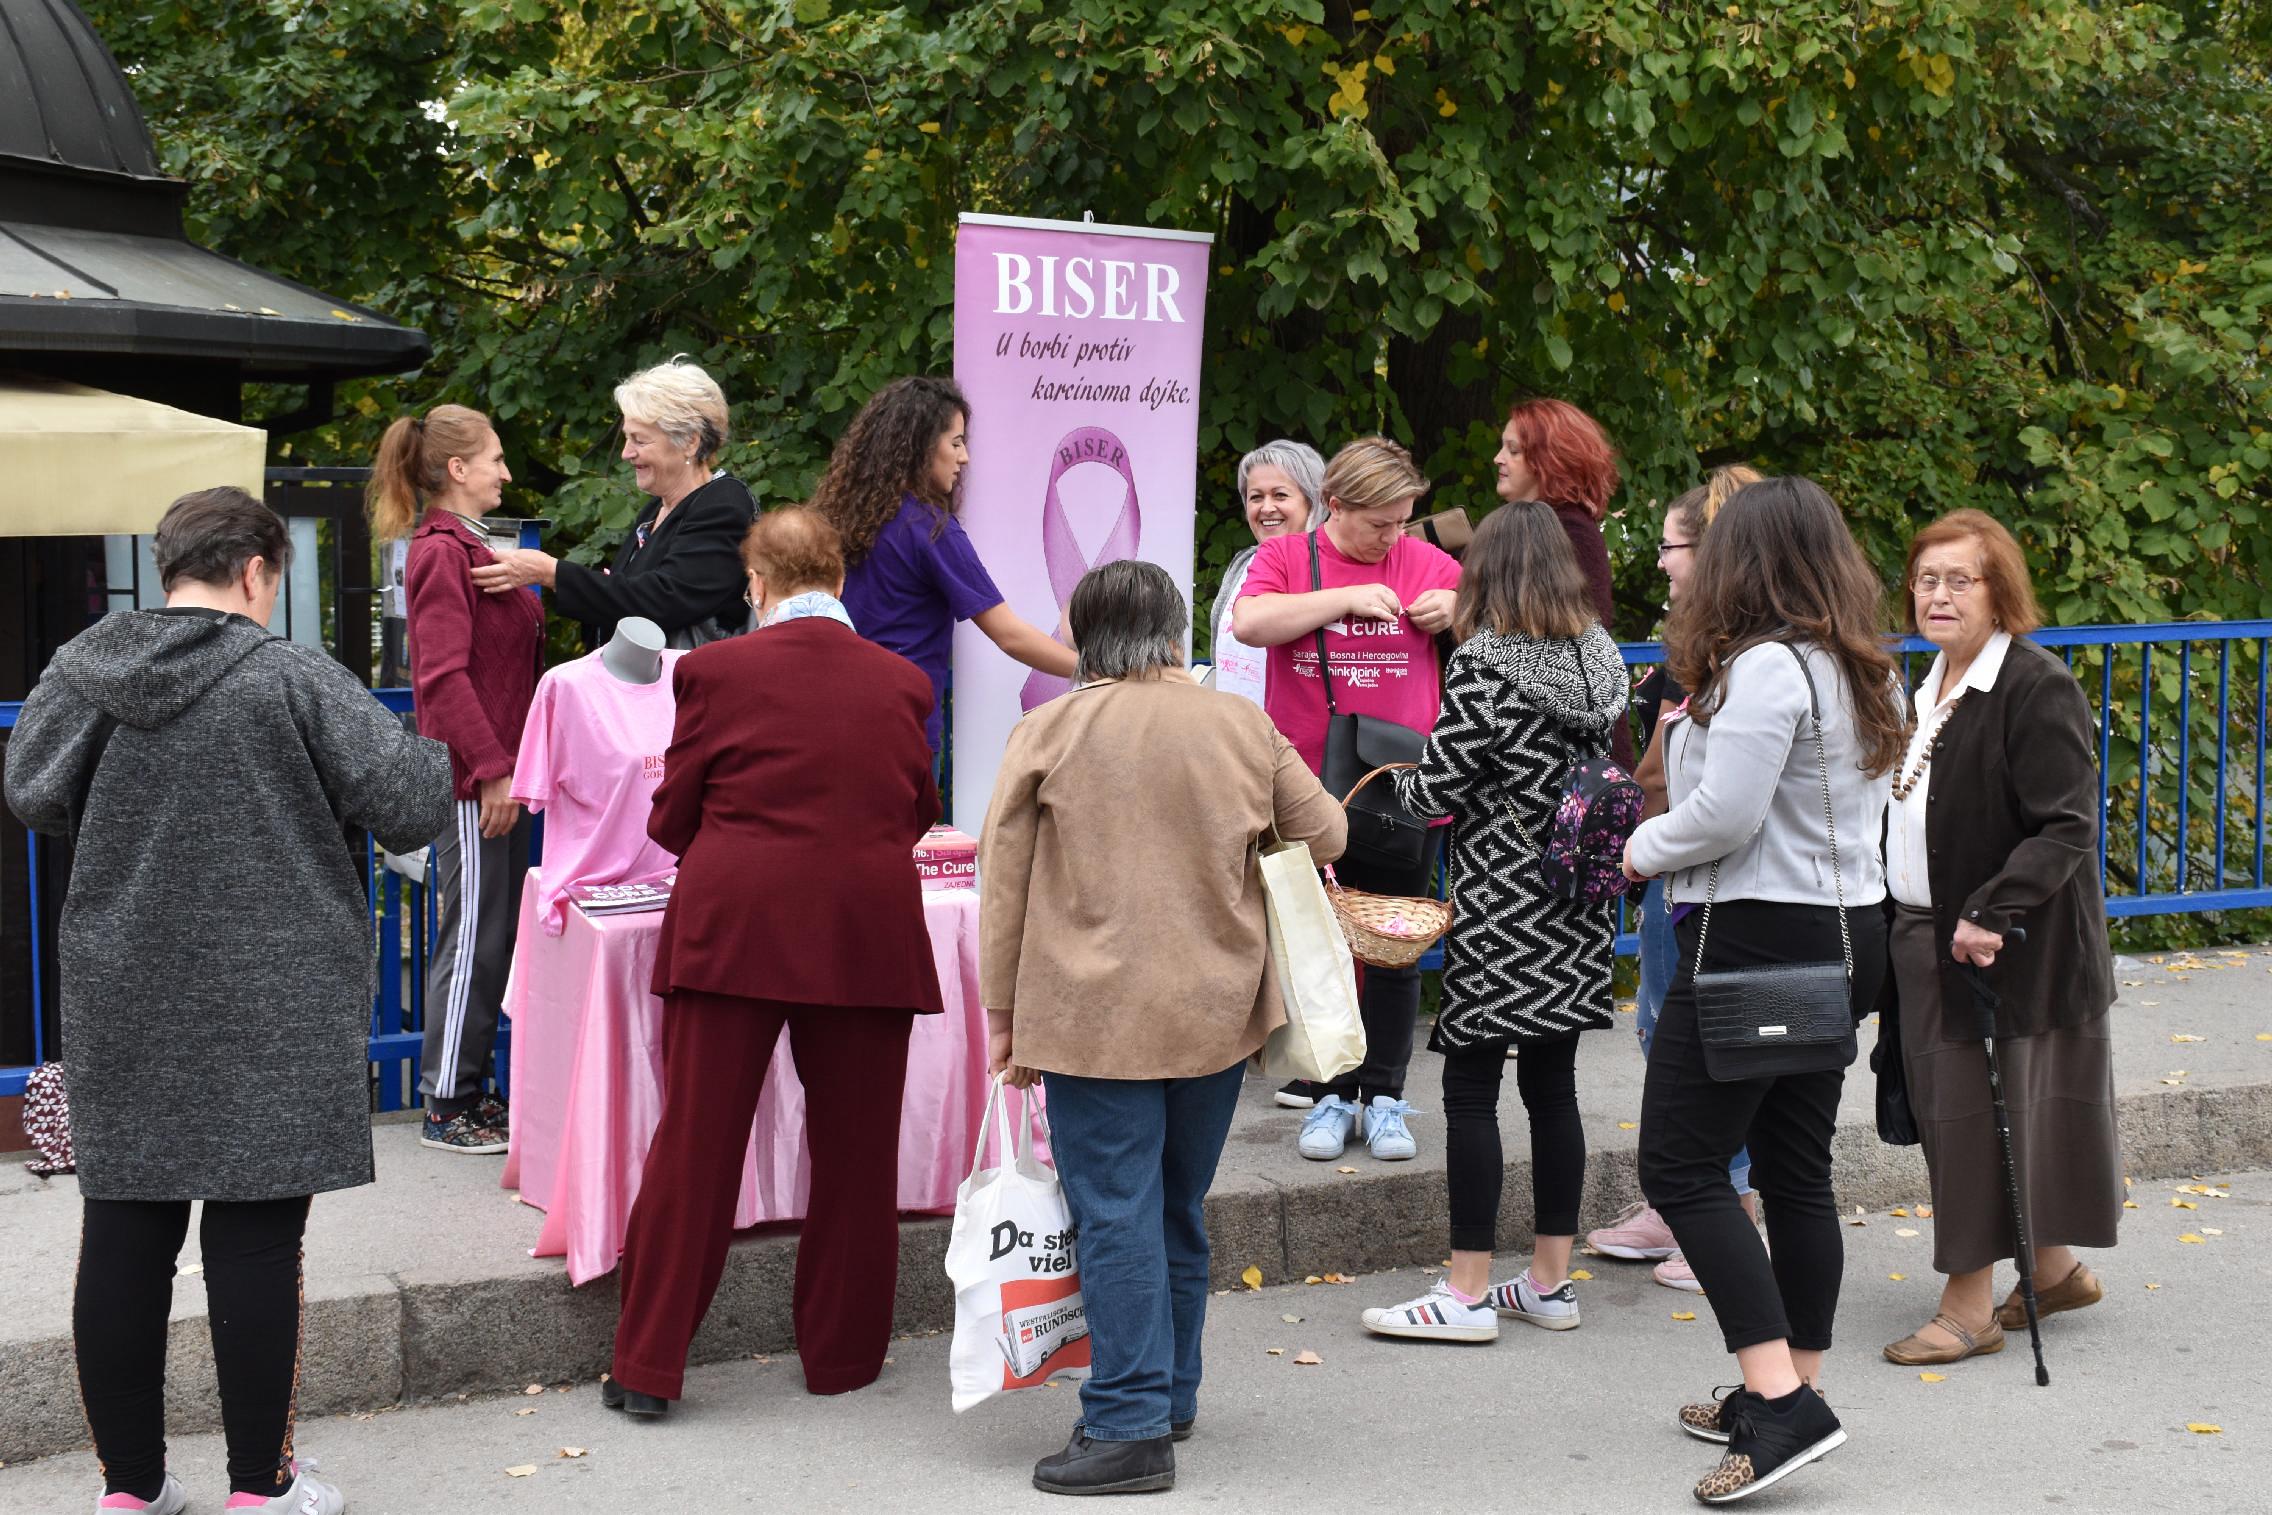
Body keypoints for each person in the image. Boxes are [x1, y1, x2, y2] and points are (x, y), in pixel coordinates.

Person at [5, 487, 452, 1515]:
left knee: (124, 1232)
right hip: (277, 996)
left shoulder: (82, 671)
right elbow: (409, 803)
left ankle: (132, 1491)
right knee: (254, 1240)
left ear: (169, 567)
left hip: (125, 987)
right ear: (256, 571)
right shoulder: (293, 676)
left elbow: (30, 791)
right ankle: (263, 1489)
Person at [980, 559, 1346, 1495]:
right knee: (1175, 1206)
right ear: (1175, 629)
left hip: (1089, 1015)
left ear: (1089, 635)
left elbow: (1004, 888)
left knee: (1113, 1212)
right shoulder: (1237, 722)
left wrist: (1002, 1018)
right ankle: (1171, 1391)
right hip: (1215, 1009)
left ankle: (1130, 1422)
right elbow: (1330, 834)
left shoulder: (1047, 729)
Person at [604, 506, 944, 1416]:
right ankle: (842, 1359)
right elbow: (916, 806)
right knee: (858, 1154)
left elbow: (673, 815)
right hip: (865, 932)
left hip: (737, 927)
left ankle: (645, 1366)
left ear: (755, 584)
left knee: (696, 1146)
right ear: (837, 580)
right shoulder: (904, 681)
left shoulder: (712, 669)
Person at [1620, 476, 1904, 1504]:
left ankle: (1780, 1404)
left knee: (1682, 1165)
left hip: (1755, 934)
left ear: (1744, 561)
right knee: (1793, 1172)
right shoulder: (1859, 668)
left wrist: (1636, 850)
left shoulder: (1764, 672)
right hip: (1843, 930)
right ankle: (1793, 1389)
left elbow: (1721, 817)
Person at [1356, 502, 1625, 1344]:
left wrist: (1380, 781)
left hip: (1505, 906)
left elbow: (1436, 791)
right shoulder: (1602, 659)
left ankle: (1466, 1290)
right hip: (1580, 901)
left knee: (1471, 1087)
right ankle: (1549, 1279)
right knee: (1554, 1088)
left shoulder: (1484, 665)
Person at [1879, 509, 2119, 1367]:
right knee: (1960, 1118)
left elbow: (2066, 825)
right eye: (1926, 578)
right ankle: (2051, 1269)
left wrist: (1991, 908)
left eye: (1959, 579)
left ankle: (1969, 1307)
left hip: (2002, 951)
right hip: (1922, 939)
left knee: (1973, 1120)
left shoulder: (2031, 684)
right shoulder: (1933, 681)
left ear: (1998, 590)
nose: (1937, 594)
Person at [1232, 436, 1461, 1161]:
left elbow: (1496, 622)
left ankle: (1386, 1095)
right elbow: (1250, 622)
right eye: (1379, 522)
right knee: (1317, 945)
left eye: (1402, 520)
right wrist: (1343, 598)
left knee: (1393, 944)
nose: (1394, 535)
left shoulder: (1427, 560)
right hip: (1306, 784)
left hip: (1404, 785)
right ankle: (1330, 1094)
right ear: (1334, 505)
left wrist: (1457, 606)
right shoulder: (1287, 560)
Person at [1588, 465, 1766, 1291]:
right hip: (1672, 870)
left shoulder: (1751, 659)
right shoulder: (1688, 647)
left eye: (1671, 545)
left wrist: (1640, 846)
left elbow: (1720, 800)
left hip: (1715, 875)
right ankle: (1678, 1203)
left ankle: (1726, 1209)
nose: (1660, 562)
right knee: (1663, 1029)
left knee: (1709, 1038)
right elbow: (1658, 775)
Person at [369, 403, 546, 1154]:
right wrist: (492, 772)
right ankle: (448, 1104)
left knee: (492, 930)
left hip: (495, 777)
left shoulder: (469, 544)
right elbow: (440, 679)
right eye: (496, 458)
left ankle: (470, 1091)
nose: (507, 471)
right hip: (476, 783)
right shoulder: (442, 552)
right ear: (458, 469)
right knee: (472, 932)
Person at [812, 375, 1077, 751]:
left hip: (833, 719)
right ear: (920, 447)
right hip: (901, 728)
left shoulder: (837, 520)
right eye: (955, 443)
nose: (964, 457)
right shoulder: (930, 530)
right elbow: (1009, 634)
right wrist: (1099, 670)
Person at [471, 357, 757, 649]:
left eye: (639, 440)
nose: (625, 453)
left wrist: (552, 573)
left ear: (690, 442)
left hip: (685, 690)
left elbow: (663, 601)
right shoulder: (656, 509)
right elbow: (630, 599)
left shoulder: (723, 505)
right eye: (626, 439)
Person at [1493, 396, 1635, 768]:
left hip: (1569, 760)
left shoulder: (1573, 533)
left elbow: (1575, 640)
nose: (1498, 459)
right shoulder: (1526, 528)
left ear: (1548, 461)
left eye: (1513, 450)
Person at [1207, 439, 1328, 707]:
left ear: (1313, 501)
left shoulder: (1328, 566)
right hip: (1234, 734)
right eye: (1256, 497)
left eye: (1280, 495)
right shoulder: (1242, 563)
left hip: (1292, 741)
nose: (1266, 508)